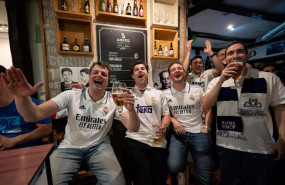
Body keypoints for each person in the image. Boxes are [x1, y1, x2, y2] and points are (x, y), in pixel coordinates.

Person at [1, 61, 140, 185]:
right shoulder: (72, 95)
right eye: (95, 72)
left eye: (104, 74)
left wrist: (132, 111)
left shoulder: (114, 100)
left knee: (117, 182)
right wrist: (22, 96)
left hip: (99, 147)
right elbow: (34, 115)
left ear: (107, 80)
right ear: (89, 77)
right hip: (69, 147)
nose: (99, 75)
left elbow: (133, 128)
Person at [203, 41, 285, 185]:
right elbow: (205, 105)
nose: (235, 56)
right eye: (230, 53)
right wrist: (222, 79)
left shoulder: (269, 78)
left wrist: (282, 139)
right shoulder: (216, 81)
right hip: (227, 145)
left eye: (240, 52)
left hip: (259, 147)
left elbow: (280, 109)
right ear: (225, 59)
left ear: (247, 56)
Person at [122, 61, 171, 185]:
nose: (140, 71)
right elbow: (125, 120)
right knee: (142, 179)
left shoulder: (159, 93)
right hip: (136, 139)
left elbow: (166, 115)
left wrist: (164, 126)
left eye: (143, 68)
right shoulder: (127, 95)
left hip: (157, 141)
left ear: (147, 73)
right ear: (133, 75)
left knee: (159, 179)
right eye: (136, 69)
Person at [164, 62, 213, 185]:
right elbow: (163, 114)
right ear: (170, 76)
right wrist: (173, 120)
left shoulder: (197, 89)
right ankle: (182, 170)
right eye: (173, 69)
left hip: (199, 132)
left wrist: (206, 128)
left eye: (179, 68)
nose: (177, 71)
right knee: (173, 166)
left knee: (205, 176)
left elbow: (208, 109)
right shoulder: (164, 94)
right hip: (179, 135)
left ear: (184, 72)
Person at [0, 65, 52, 150]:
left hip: (26, 152)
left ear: (3, 80)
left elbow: (46, 129)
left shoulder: (28, 103)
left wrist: (14, 140)